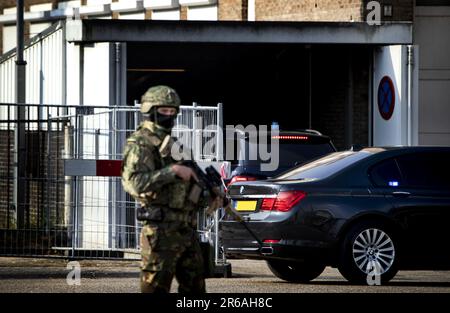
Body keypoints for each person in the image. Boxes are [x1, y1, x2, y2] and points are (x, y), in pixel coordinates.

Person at [121, 85, 211, 293]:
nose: (169, 115)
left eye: (172, 111)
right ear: (150, 110)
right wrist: (172, 171)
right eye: (163, 111)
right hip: (159, 231)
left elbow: (191, 182)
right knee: (155, 289)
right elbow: (133, 183)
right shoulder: (141, 143)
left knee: (196, 289)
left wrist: (209, 195)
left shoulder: (175, 144)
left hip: (185, 229)